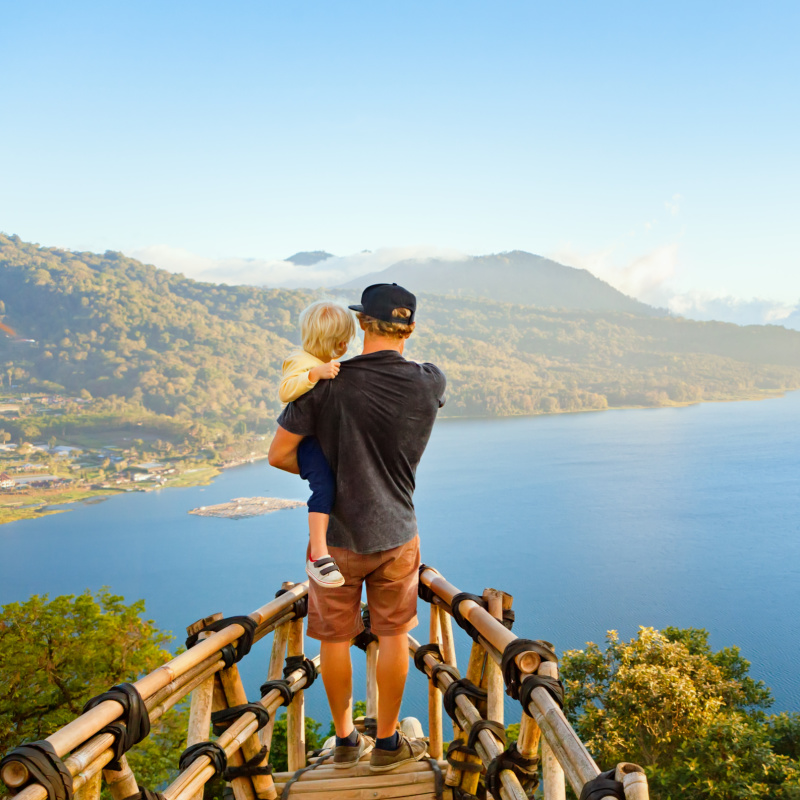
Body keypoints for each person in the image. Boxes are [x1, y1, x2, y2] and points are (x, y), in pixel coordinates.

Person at [269, 282, 445, 772]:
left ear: (361, 325)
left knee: (333, 639)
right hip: (397, 534)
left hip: (336, 543)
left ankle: (346, 740)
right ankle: (387, 744)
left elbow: (279, 455)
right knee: (393, 635)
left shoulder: (322, 382)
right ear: (410, 328)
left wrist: (328, 475)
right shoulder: (430, 381)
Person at [279, 301, 356, 588]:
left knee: (332, 485)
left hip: (321, 438)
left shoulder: (321, 362)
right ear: (336, 342)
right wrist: (313, 375)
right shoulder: (301, 361)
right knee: (323, 487)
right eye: (343, 343)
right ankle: (318, 555)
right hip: (309, 442)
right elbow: (285, 391)